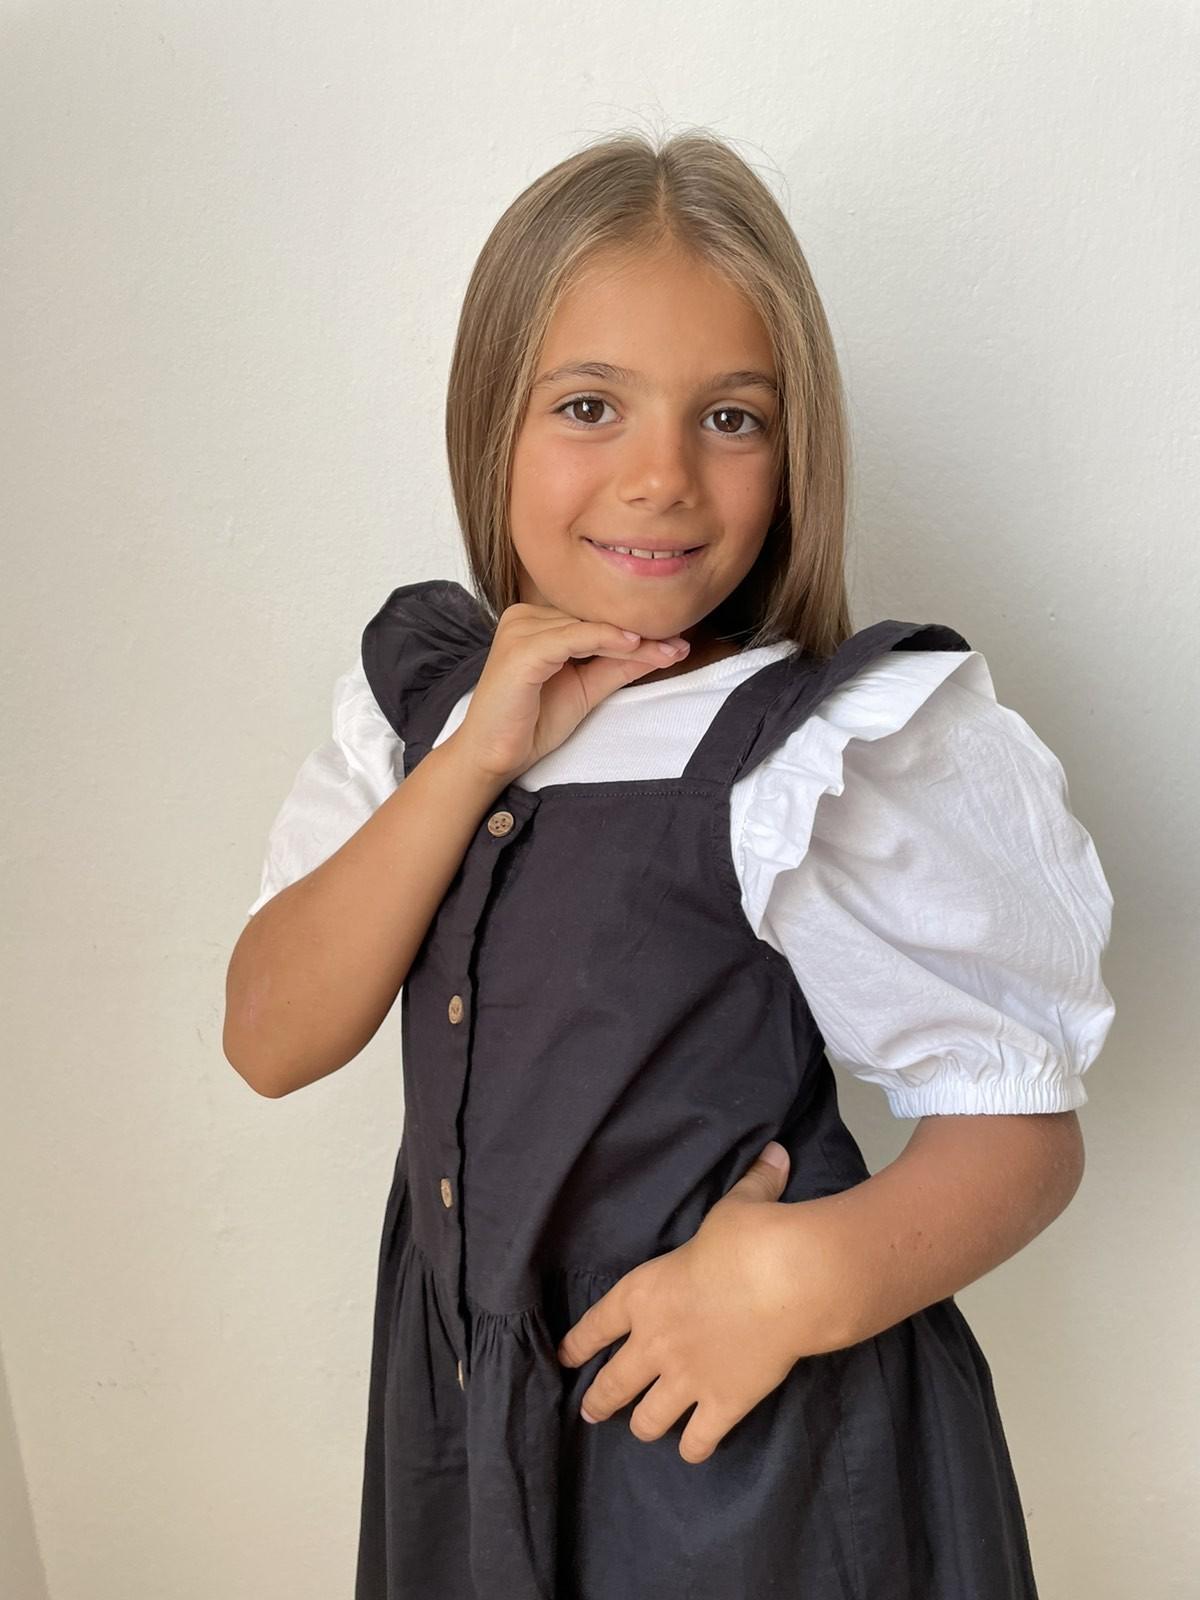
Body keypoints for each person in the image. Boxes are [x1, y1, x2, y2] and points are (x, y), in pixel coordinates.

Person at [223, 130, 1116, 1600]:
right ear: (491, 424)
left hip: (745, 1466)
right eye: (590, 406)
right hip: (470, 1431)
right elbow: (271, 1037)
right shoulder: (419, 717)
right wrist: (475, 755)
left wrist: (799, 1280)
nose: (661, 478)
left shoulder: (822, 750)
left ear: (796, 450)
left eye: (732, 418)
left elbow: (1021, 1132)